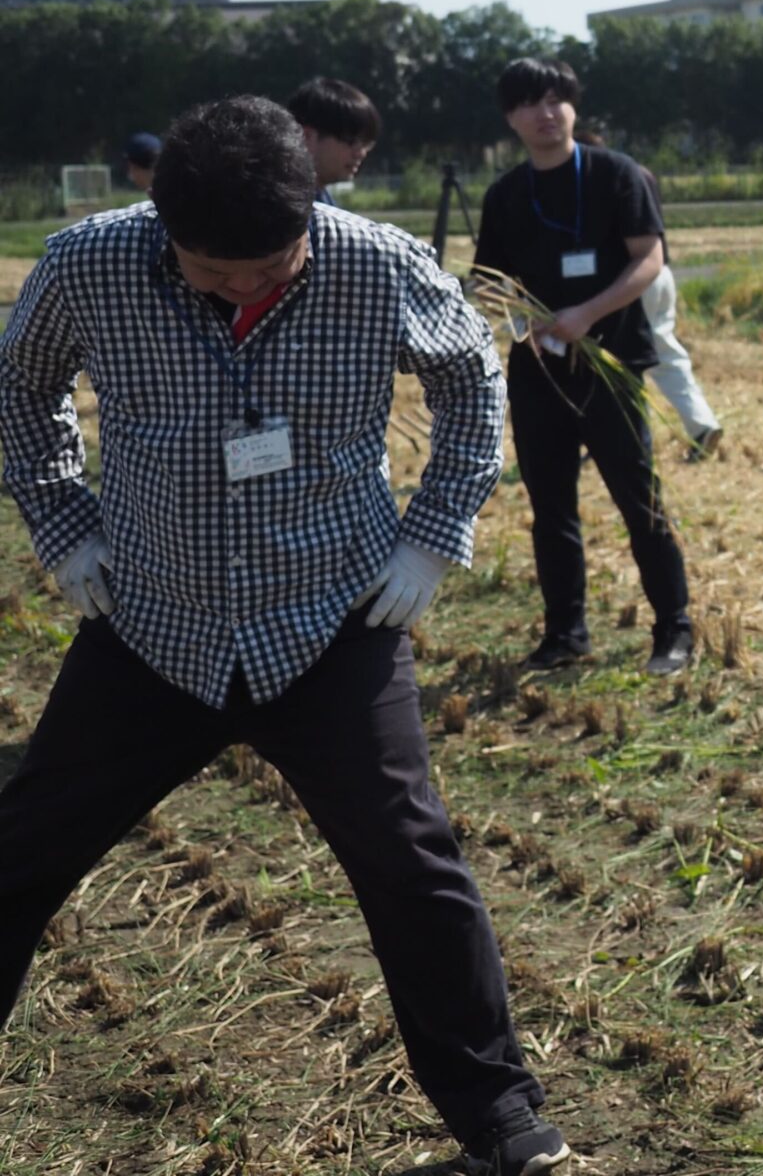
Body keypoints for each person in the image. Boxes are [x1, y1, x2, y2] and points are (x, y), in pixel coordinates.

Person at [0, 97, 570, 1176]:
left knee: (411, 865)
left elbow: (470, 383)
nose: (245, 289)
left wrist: (431, 538)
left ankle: (500, 1116)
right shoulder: (88, 264)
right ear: (165, 230)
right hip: (153, 622)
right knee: (23, 847)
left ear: (308, 212)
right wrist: (66, 525)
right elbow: (21, 390)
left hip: (329, 618)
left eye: (270, 267)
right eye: (214, 273)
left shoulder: (377, 264)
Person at [472, 58, 693, 676]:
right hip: (538, 373)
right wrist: (523, 319)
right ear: (511, 117)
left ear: (573, 107)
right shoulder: (505, 195)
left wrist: (585, 314)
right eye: (530, 103)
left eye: (556, 100)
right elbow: (488, 282)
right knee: (551, 509)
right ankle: (565, 634)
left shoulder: (615, 175)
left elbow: (648, 259)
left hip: (610, 364)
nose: (546, 114)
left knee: (639, 500)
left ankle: (674, 629)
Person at [633, 164, 723, 460]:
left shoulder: (602, 176)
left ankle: (624, 438)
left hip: (629, 278)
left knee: (621, 359)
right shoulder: (639, 172)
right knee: (665, 352)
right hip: (660, 273)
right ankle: (701, 423)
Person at [287, 76, 382, 208]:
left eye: (366, 144)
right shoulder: (280, 206)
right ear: (306, 136)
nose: (360, 153)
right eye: (351, 141)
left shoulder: (321, 199)